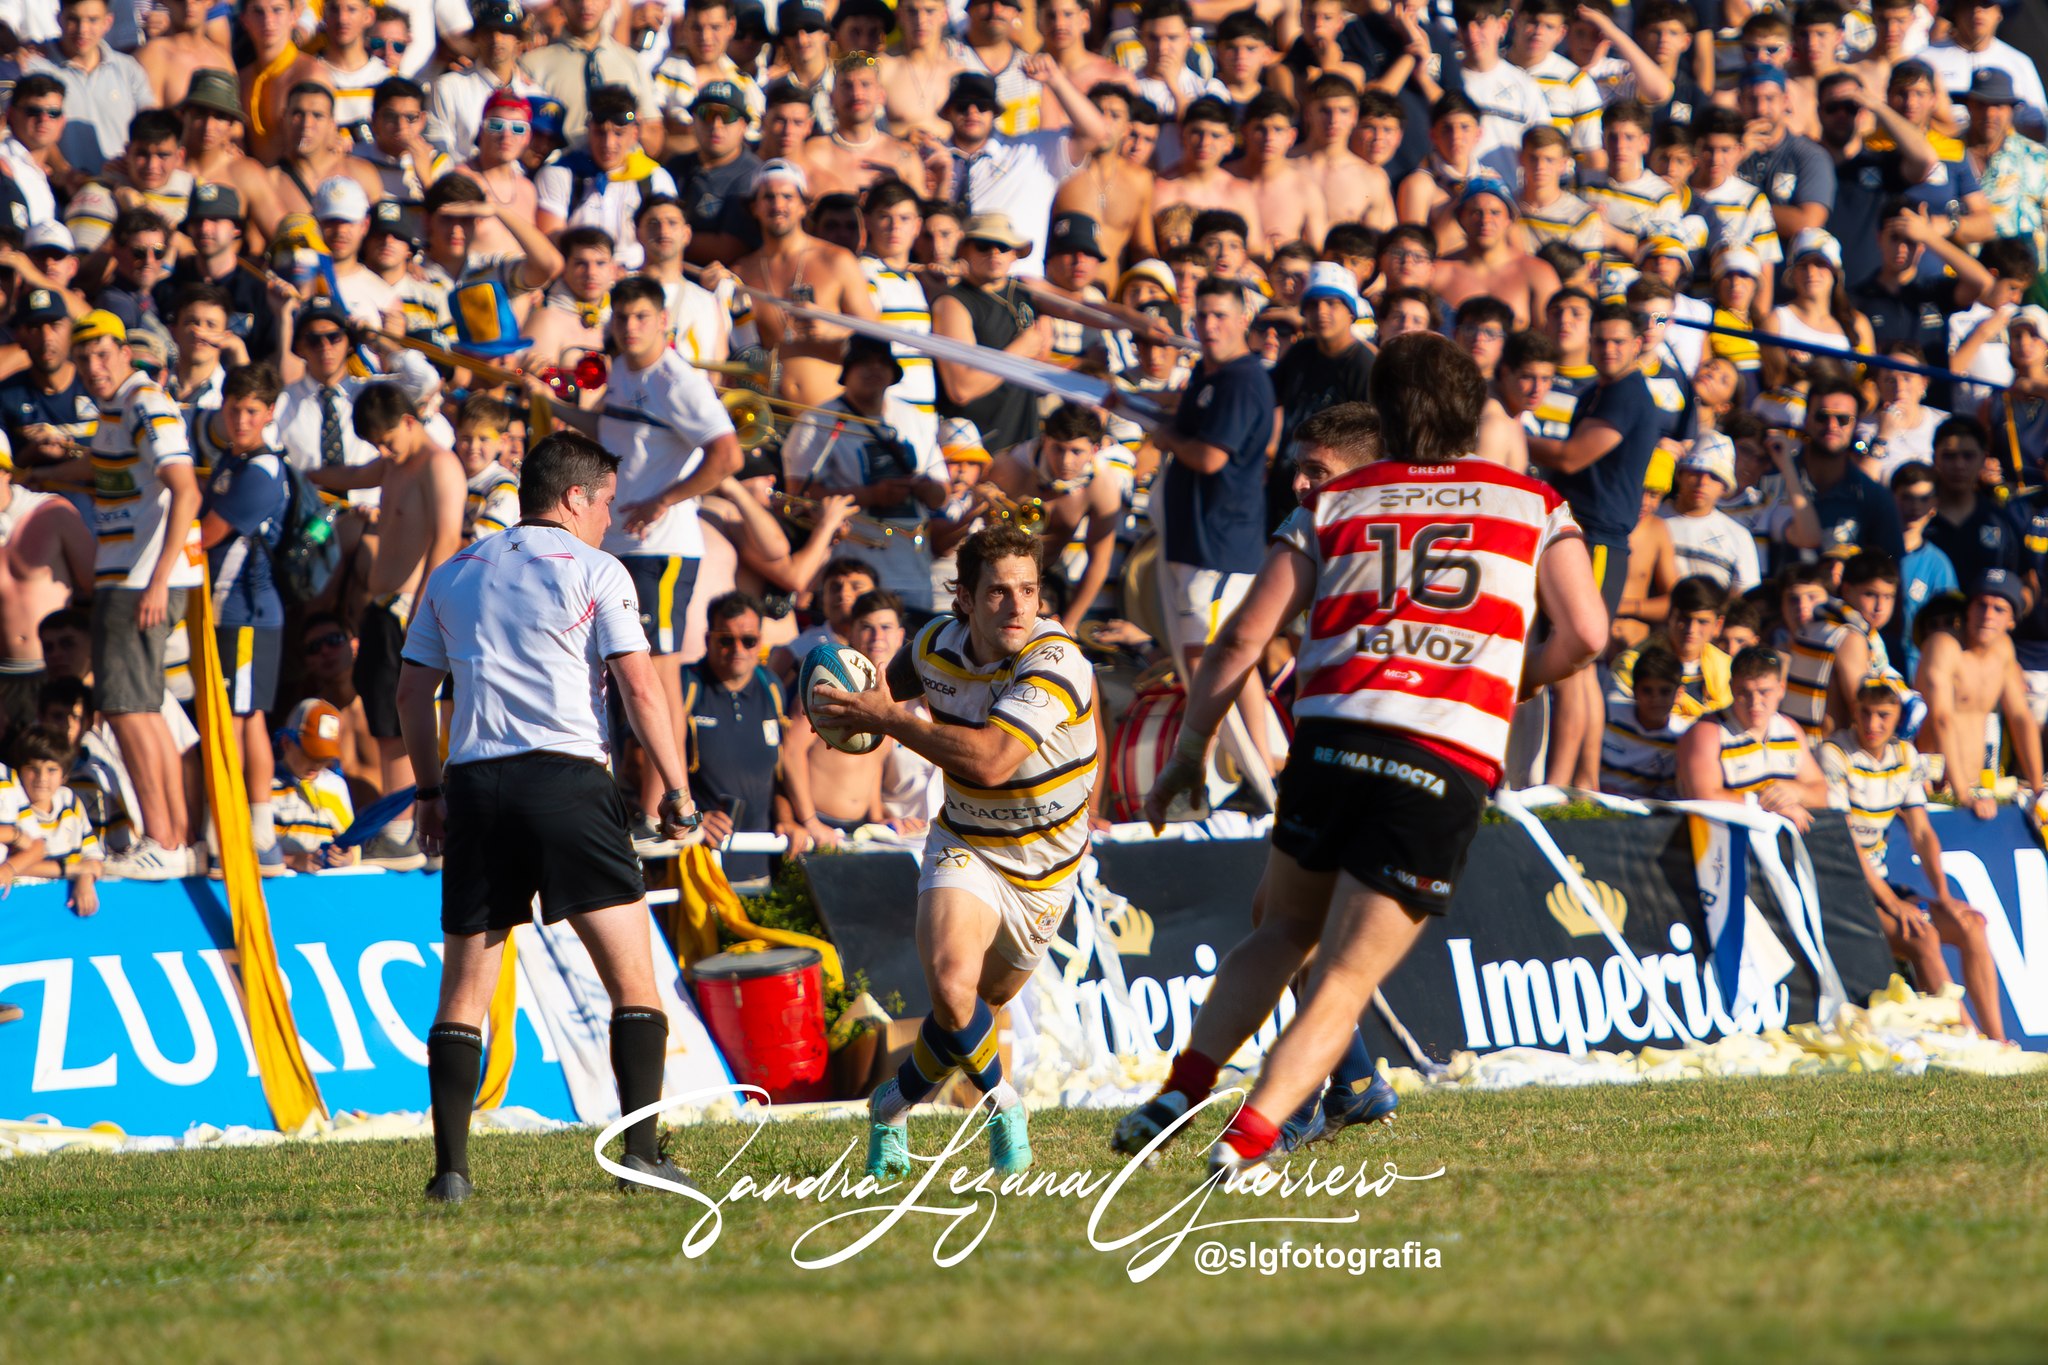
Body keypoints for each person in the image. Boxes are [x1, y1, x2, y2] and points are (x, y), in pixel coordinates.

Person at [1111, 332, 1604, 1173]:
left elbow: (1240, 641)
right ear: (1474, 412)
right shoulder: (1533, 503)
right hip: (1440, 753)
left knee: (1280, 927)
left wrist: (1188, 753)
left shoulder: (1337, 501)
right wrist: (1505, 679)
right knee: (1342, 975)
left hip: (1332, 737)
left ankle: (1179, 1090)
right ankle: (1250, 1135)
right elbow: (1587, 633)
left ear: (1384, 413)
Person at [396, 429, 699, 1204]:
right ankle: (640, 1154)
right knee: (634, 981)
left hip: (475, 785)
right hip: (566, 779)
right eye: (605, 502)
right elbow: (640, 688)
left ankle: (451, 1171)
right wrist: (677, 787)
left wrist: (428, 792)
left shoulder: (455, 571)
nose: (610, 519)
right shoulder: (596, 568)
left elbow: (411, 691)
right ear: (573, 498)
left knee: (464, 990)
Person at [808, 525, 1096, 1180]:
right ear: (963, 598)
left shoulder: (1057, 660)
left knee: (967, 1011)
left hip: (1045, 868)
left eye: (1029, 590)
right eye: (998, 593)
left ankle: (890, 1104)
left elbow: (991, 760)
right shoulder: (934, 645)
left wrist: (888, 720)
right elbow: (885, 690)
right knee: (949, 979)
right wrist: (849, 709)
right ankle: (1004, 1105)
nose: (1018, 606)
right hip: (965, 841)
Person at [527, 274, 741, 843]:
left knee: (656, 679)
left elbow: (728, 454)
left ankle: (663, 807)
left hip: (661, 550)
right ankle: (638, 803)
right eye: (622, 317)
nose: (631, 327)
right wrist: (550, 400)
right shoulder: (621, 370)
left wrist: (665, 499)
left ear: (664, 322)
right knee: (626, 680)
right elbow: (611, 432)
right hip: (623, 547)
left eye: (642, 316)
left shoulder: (678, 379)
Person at [75, 309, 198, 879]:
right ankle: (175, 840)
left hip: (137, 578)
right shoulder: (118, 407)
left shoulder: (144, 402)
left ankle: (162, 839)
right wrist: (43, 474)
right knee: (145, 710)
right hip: (135, 575)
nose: (94, 367)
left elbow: (186, 491)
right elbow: (115, 475)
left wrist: (157, 579)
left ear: (126, 353)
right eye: (84, 357)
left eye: (103, 354)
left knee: (126, 710)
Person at [1819, 675, 2006, 1043]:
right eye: (1866, 713)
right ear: (1855, 711)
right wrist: (1892, 903)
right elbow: (1846, 843)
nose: (1873, 724)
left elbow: (1922, 833)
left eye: (1883, 715)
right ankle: (1969, 1042)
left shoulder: (1906, 756)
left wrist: (1944, 896)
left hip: (1880, 886)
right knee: (1922, 936)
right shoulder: (1835, 754)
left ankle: (2000, 1043)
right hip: (1841, 890)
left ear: (1899, 717)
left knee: (1972, 924)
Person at [197, 362, 293, 873]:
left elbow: (207, 534)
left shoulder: (262, 471)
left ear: (270, 413)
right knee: (244, 716)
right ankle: (254, 830)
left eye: (252, 411)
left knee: (238, 719)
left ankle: (240, 829)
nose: (240, 419)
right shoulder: (232, 459)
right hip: (230, 613)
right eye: (234, 409)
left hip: (247, 615)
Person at [1916, 568, 2045, 820]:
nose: (1988, 615)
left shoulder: (2003, 650)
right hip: (1936, 790)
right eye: (1981, 605)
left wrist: (2039, 789)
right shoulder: (1944, 646)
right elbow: (1941, 718)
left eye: (1999, 609)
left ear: (2012, 621)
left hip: (1975, 788)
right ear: (1968, 610)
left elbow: (2021, 717)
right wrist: (1963, 796)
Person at [1676, 644, 1830, 832]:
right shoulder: (1707, 732)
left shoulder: (1790, 729)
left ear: (1781, 689)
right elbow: (1703, 797)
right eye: (1745, 693)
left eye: (1764, 692)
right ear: (1731, 688)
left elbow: (1821, 793)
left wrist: (1797, 792)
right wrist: (1766, 805)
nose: (1755, 703)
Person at [5, 725, 102, 916]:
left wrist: (85, 878)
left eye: (51, 770)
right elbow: (15, 867)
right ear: (19, 772)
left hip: (64, 910)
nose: (42, 778)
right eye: (33, 769)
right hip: (22, 909)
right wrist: (74, 869)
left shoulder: (70, 801)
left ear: (64, 775)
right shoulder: (10, 806)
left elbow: (94, 858)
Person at [1662, 431, 1761, 595]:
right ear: (1680, 475)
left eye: (1714, 477)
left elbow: (1744, 596)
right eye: (1695, 472)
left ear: (1725, 487)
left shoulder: (1739, 536)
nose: (1702, 483)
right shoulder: (1650, 519)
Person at [270, 695, 358, 871]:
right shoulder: (267, 785)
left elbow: (351, 846)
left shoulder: (335, 786)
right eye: (311, 754)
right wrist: (292, 860)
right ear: (286, 743)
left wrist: (347, 859)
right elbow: (251, 847)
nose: (317, 765)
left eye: (324, 758)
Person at [1601, 642, 1692, 800]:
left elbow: (1665, 794)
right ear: (1634, 691)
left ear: (1679, 694)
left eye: (1664, 692)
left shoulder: (1681, 737)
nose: (1655, 699)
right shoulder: (1607, 714)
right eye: (1647, 690)